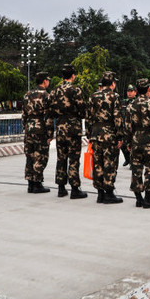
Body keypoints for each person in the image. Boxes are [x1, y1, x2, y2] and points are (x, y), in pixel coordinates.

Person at [48, 64, 88, 199]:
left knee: (61, 158)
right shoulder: (76, 90)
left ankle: (61, 188)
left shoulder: (54, 91)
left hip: (60, 127)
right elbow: (83, 109)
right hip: (73, 128)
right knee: (74, 159)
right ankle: (75, 188)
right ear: (73, 76)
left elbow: (51, 111)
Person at [85, 71, 124, 204]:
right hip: (109, 135)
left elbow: (88, 117)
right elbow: (118, 118)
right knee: (110, 164)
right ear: (112, 84)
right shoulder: (115, 96)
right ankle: (109, 193)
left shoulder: (93, 96)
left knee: (98, 164)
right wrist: (120, 136)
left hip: (96, 134)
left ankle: (100, 194)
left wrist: (89, 134)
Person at [124, 78, 150, 208]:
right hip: (149, 140)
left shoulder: (130, 105)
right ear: (147, 89)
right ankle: (148, 199)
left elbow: (128, 126)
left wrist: (128, 142)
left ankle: (138, 199)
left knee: (136, 169)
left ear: (136, 89)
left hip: (135, 140)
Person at [22, 71, 54, 194]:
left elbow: (24, 114)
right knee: (41, 156)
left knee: (30, 156)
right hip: (40, 129)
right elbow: (48, 116)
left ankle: (30, 184)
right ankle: (37, 183)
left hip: (29, 129)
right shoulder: (46, 95)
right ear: (45, 81)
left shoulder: (27, 95)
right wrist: (50, 133)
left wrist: (25, 127)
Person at [120, 84, 136, 166]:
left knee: (132, 145)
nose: (129, 93)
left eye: (131, 91)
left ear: (135, 92)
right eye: (128, 91)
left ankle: (133, 162)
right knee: (123, 145)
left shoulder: (137, 102)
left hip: (133, 128)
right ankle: (127, 159)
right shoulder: (123, 102)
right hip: (124, 127)